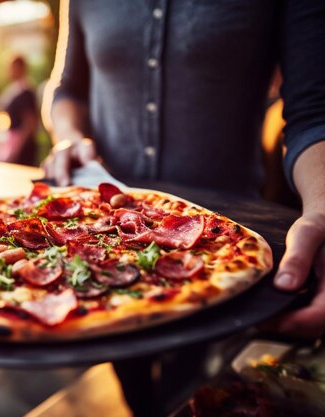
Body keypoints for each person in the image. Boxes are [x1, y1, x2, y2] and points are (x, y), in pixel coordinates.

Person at [41, 1, 324, 415]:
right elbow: (66, 91)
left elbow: (315, 112)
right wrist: (69, 136)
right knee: (138, 396)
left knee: (202, 401)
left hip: (220, 249)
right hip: (95, 241)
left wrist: (321, 207)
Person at [0, 55, 39, 166]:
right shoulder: (13, 90)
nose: (8, 71)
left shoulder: (26, 91)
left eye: (11, 67)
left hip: (22, 145)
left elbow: (30, 122)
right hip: (12, 141)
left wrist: (17, 148)